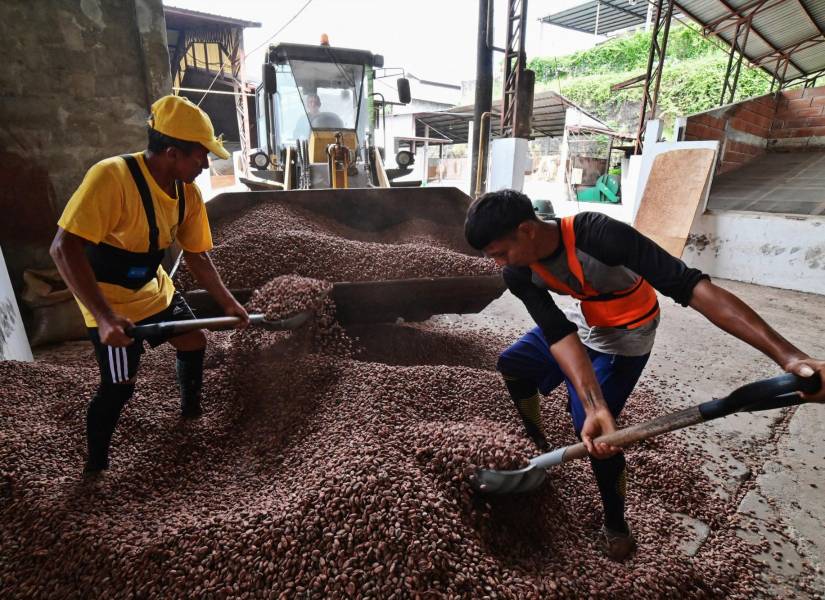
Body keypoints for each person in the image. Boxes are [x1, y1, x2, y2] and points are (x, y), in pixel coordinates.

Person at [464, 189, 824, 561]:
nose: (497, 264)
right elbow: (557, 333)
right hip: (584, 321)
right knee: (514, 364)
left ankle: (616, 522)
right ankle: (536, 438)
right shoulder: (517, 272)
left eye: (500, 253)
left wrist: (790, 356)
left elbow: (692, 287)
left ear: (527, 230)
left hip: (626, 334)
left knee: (600, 438)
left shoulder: (598, 235)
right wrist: (594, 402)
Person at [50, 95, 250, 477]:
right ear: (172, 152)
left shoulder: (187, 193)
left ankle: (190, 411)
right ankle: (95, 467)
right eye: (199, 156)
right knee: (120, 386)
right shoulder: (111, 178)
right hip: (108, 300)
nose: (206, 165)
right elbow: (63, 247)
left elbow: (197, 256)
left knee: (194, 341)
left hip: (153, 287)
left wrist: (228, 305)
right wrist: (105, 319)